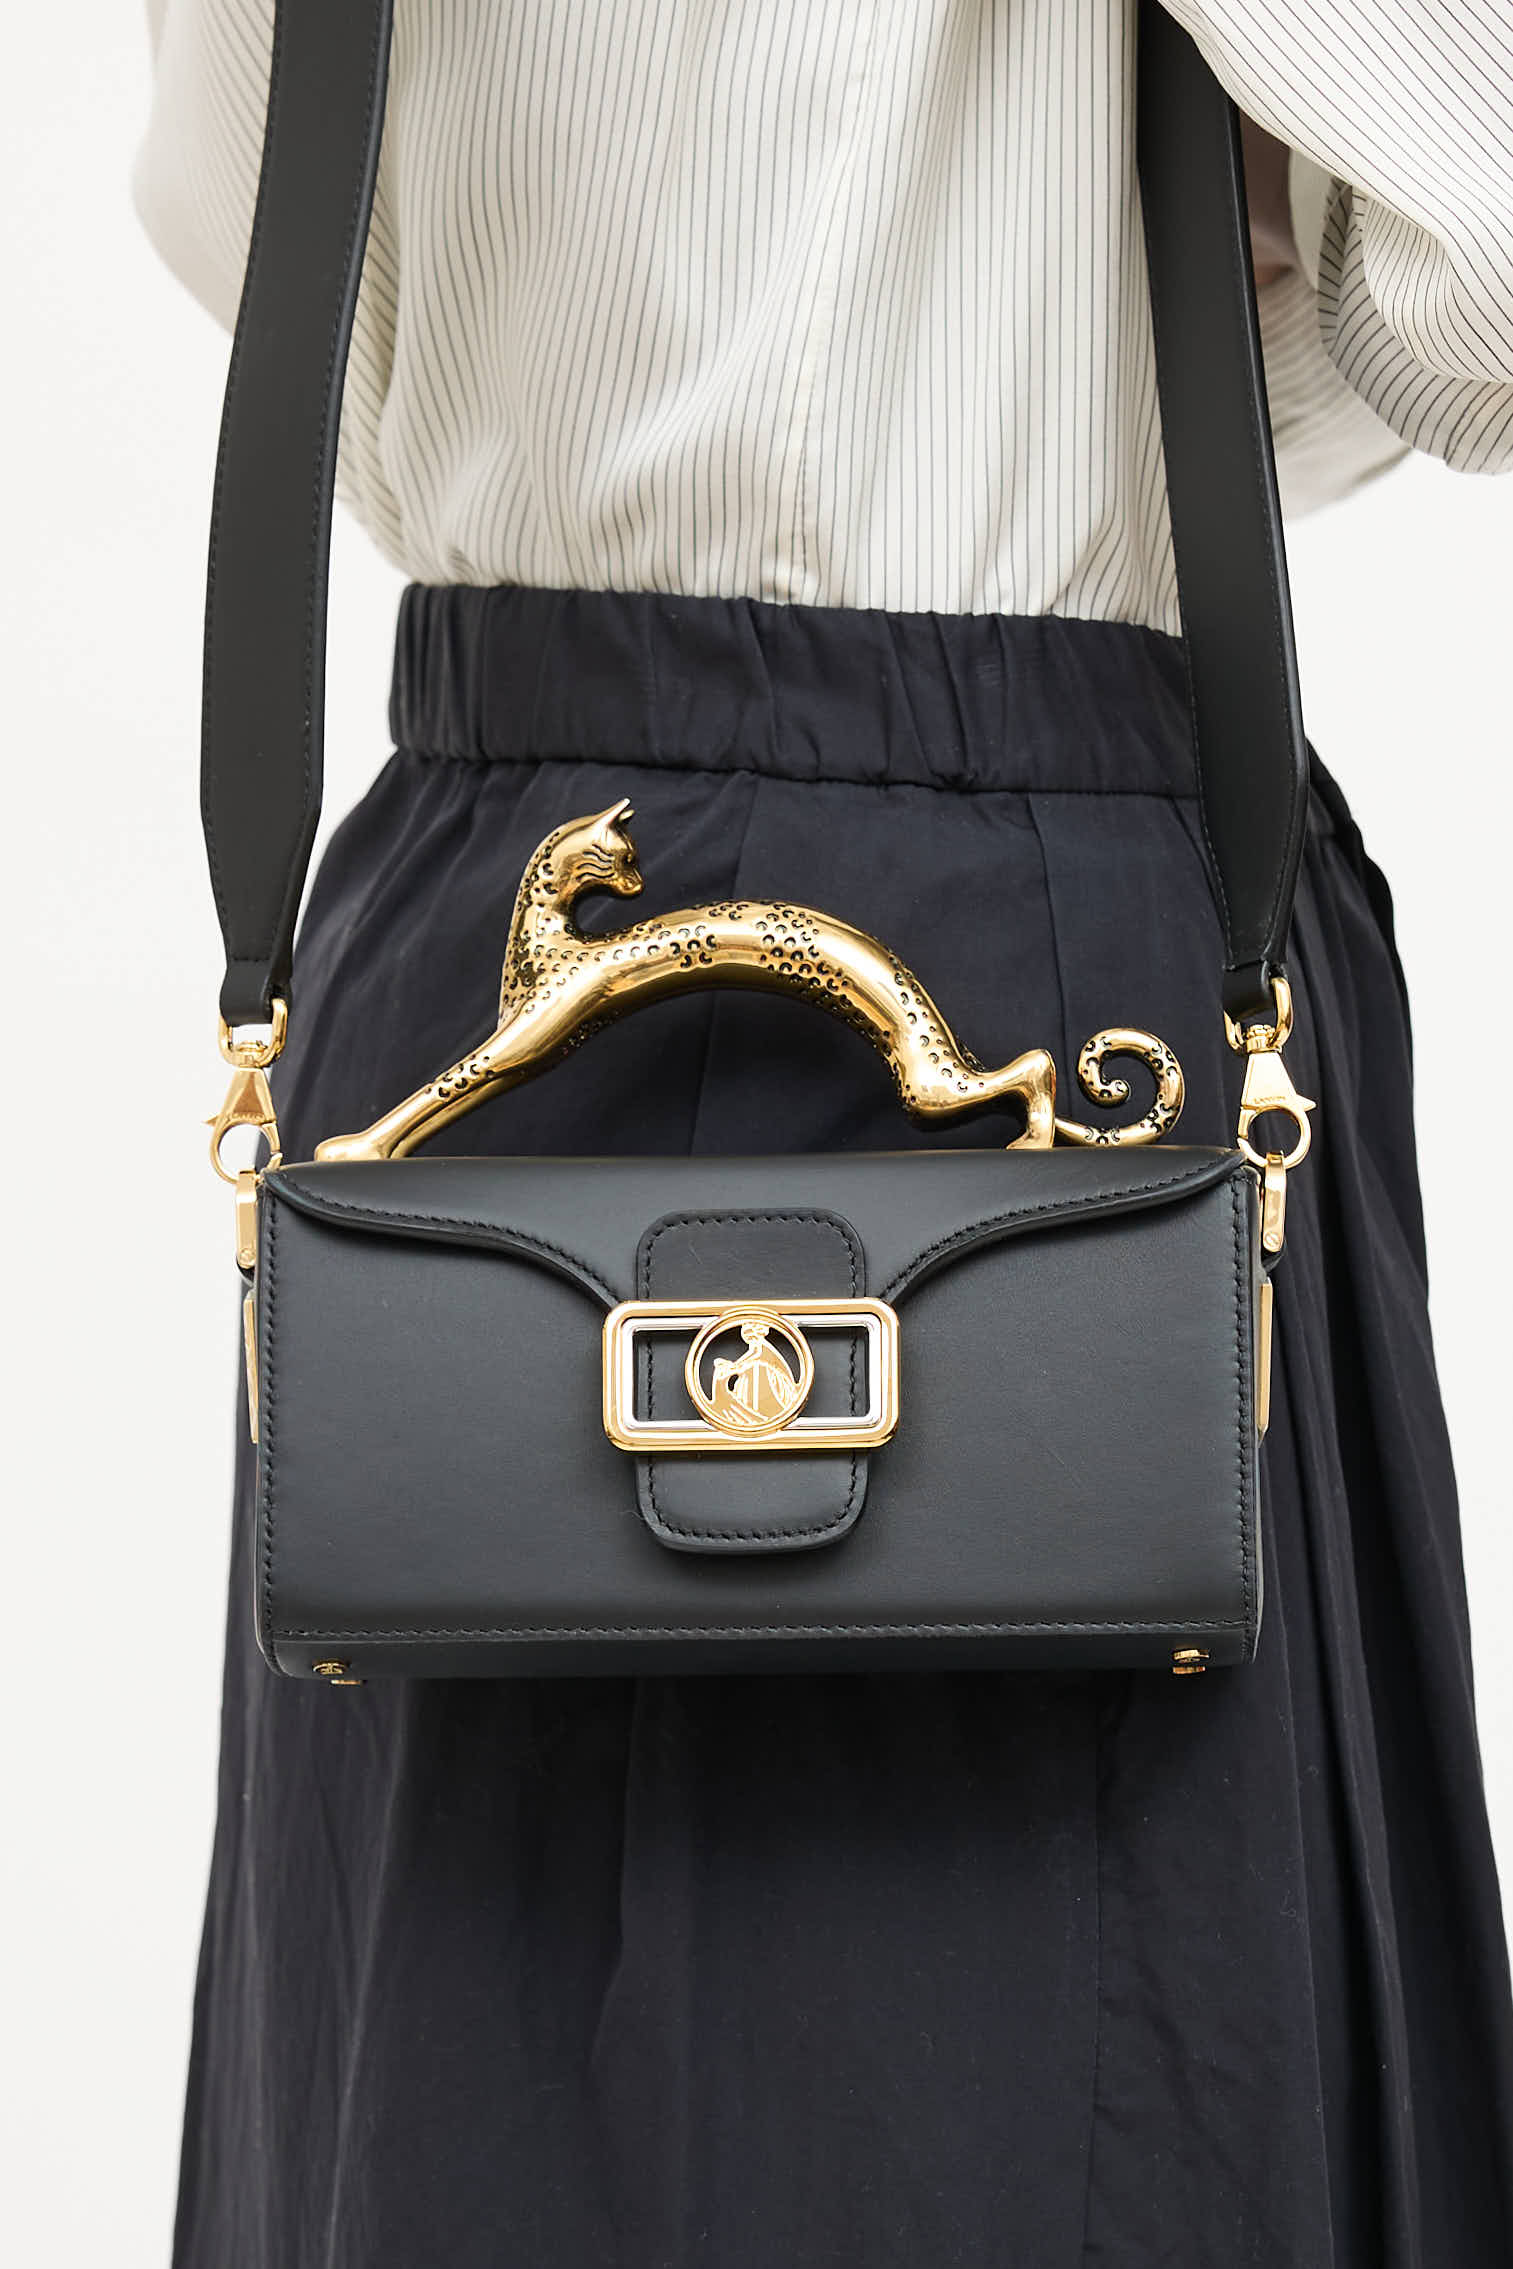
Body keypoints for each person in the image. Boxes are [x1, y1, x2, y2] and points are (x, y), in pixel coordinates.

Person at [138, 4, 1513, 2263]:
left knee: (452, 2121)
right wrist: (1186, 301)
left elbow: (259, 214)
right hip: (1046, 942)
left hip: (497, 899)